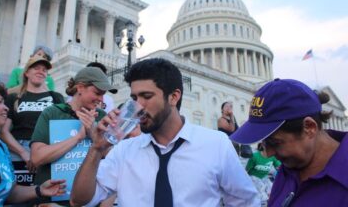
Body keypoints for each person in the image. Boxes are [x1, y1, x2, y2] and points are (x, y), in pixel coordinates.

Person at [70, 58, 259, 207]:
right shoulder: (124, 151)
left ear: (174, 97)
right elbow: (79, 200)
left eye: (147, 96)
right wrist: (96, 149)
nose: (139, 106)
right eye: (134, 98)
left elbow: (245, 202)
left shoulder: (215, 144)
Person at [230, 78, 348, 206]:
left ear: (309, 127)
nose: (268, 153)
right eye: (265, 142)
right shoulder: (289, 168)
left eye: (275, 143)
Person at [30, 66, 117, 205]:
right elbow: (36, 158)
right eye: (97, 92)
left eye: (103, 94)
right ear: (80, 88)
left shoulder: (101, 116)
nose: (101, 99)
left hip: (89, 200)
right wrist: (78, 137)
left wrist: (93, 134)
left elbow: (113, 158)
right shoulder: (52, 113)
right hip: (52, 199)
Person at [0, 55, 64, 184]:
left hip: (48, 149)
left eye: (44, 70)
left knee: (46, 192)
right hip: (18, 151)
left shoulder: (56, 97)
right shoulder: (13, 98)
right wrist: (24, 153)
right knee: (17, 194)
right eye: (36, 68)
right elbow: (3, 132)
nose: (41, 71)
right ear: (27, 72)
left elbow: (61, 129)